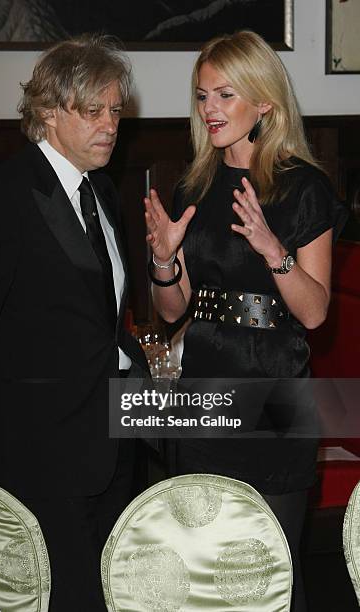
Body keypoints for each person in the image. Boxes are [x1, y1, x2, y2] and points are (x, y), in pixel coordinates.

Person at [0, 34, 148, 611]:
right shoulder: (7, 193)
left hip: (115, 441)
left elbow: (101, 320)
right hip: (44, 450)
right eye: (93, 111)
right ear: (48, 111)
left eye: (115, 110)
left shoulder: (103, 193)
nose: (111, 125)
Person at [144, 31, 347, 612]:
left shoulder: (303, 187)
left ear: (264, 102)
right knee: (206, 574)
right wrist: (162, 258)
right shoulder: (194, 184)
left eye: (224, 95)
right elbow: (174, 310)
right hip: (204, 396)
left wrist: (271, 247)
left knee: (273, 575)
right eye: (202, 96)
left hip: (276, 399)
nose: (209, 109)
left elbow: (313, 312)